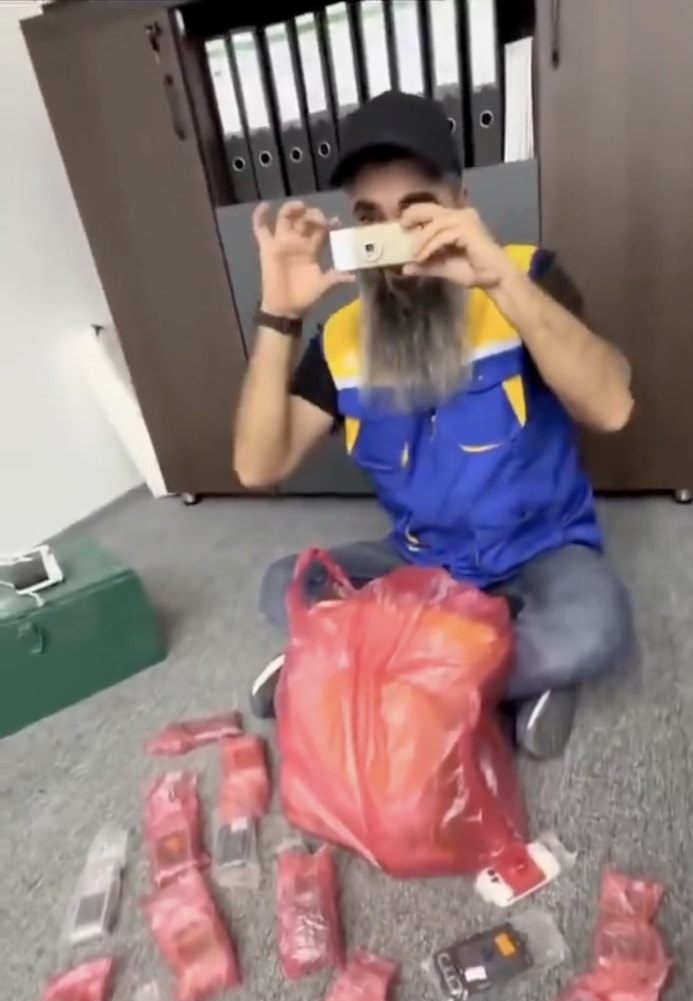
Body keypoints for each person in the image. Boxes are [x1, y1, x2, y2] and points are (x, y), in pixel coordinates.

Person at [234, 90, 634, 758]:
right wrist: (279, 312)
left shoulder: (526, 276)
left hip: (540, 553)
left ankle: (355, 671)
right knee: (286, 583)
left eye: (415, 214)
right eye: (372, 221)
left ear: (461, 205)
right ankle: (492, 675)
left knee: (594, 626)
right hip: (421, 562)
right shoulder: (342, 338)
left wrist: (498, 279)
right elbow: (257, 466)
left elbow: (611, 406)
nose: (397, 247)